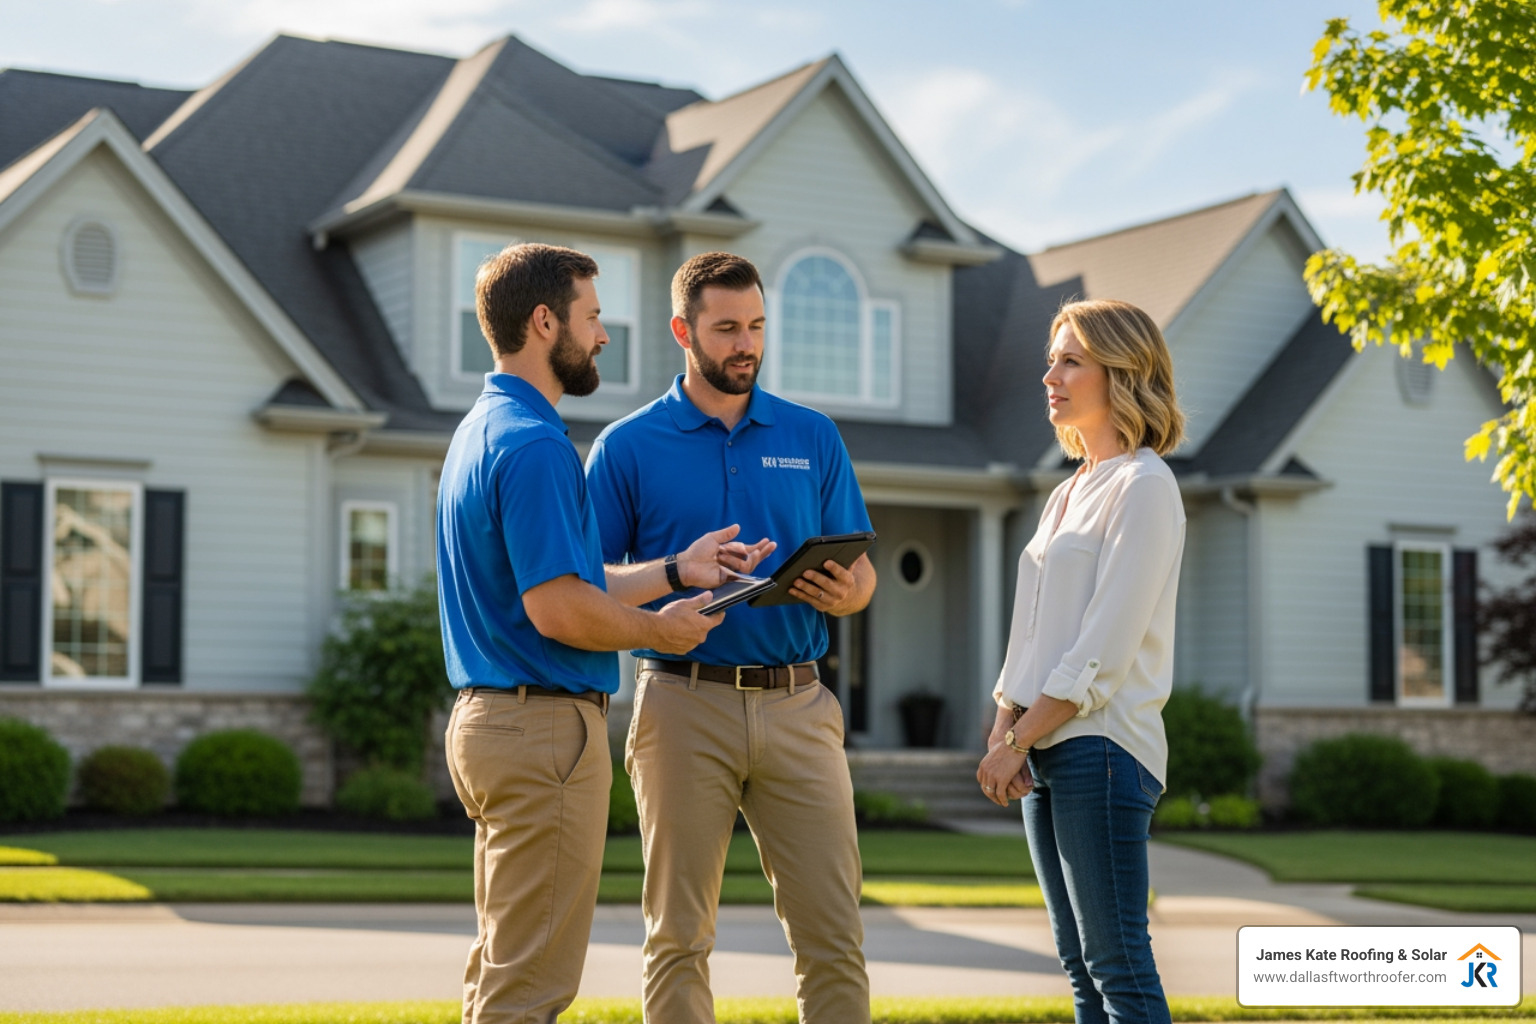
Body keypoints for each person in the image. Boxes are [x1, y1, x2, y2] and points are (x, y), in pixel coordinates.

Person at [438, 242, 769, 1024]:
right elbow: (560, 610)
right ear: (545, 320)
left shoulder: (483, 430)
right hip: (543, 729)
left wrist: (679, 572)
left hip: (492, 722)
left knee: (503, 970)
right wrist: (661, 629)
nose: (603, 337)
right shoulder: (537, 445)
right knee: (531, 987)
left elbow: (570, 580)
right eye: (592, 318)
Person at [585, 251, 876, 1024]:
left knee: (834, 934)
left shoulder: (811, 436)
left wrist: (847, 590)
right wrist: (676, 574)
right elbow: (586, 583)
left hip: (799, 703)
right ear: (684, 331)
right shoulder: (626, 446)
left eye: (755, 327)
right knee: (678, 937)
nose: (745, 344)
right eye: (725, 329)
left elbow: (864, 573)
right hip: (681, 704)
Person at [976, 298, 1186, 1024]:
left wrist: (1017, 738)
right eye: (1050, 359)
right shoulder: (1067, 492)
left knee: (1117, 963)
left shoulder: (1146, 486)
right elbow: (1033, 634)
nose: (1049, 376)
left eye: (1070, 360)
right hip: (1045, 746)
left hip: (1101, 750)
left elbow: (1103, 647)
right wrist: (1005, 719)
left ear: (1122, 372)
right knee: (1078, 965)